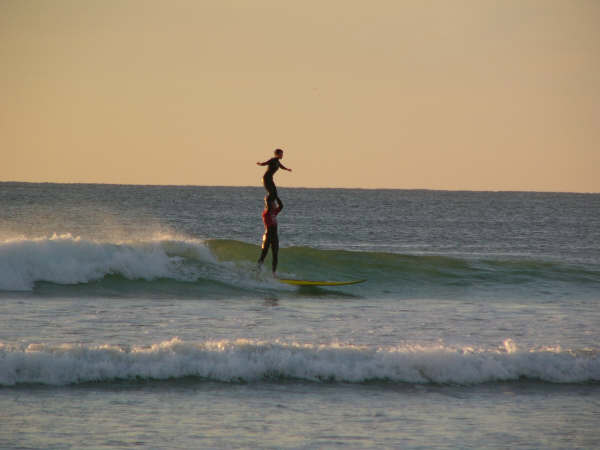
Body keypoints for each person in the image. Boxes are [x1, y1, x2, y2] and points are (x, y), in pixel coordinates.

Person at [258, 195, 283, 276]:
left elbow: (281, 206)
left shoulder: (274, 212)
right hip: (268, 235)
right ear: (270, 204)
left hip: (275, 236)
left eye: (274, 203)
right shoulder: (266, 213)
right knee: (264, 254)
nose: (275, 204)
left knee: (275, 255)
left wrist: (276, 197)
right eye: (273, 203)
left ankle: (274, 273)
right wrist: (268, 198)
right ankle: (258, 270)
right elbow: (268, 204)